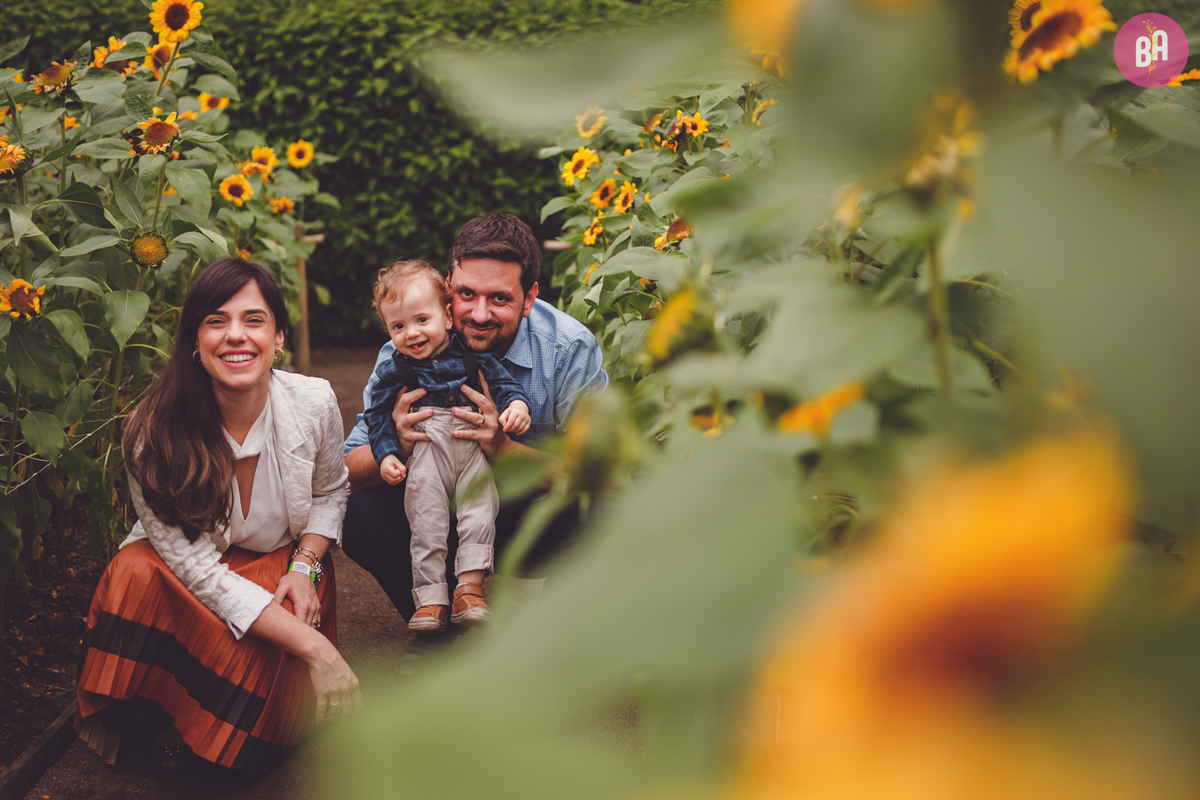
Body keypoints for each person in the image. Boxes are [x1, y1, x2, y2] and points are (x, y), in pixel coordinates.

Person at [75, 257, 362, 776]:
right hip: (191, 582)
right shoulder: (151, 433)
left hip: (282, 571)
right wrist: (317, 650)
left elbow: (330, 492)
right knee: (134, 571)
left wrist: (306, 565)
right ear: (194, 339)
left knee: (245, 755)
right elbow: (200, 573)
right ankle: (151, 713)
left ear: (277, 337)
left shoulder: (313, 402)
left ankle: (221, 723)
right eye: (216, 321)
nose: (236, 336)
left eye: (254, 320)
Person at [342, 214, 608, 620]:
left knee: (605, 514)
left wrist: (504, 447)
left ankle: (558, 631)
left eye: (499, 298)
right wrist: (395, 441)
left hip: (524, 515)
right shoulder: (407, 353)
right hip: (434, 508)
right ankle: (437, 620)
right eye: (467, 294)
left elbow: (600, 473)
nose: (479, 314)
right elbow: (346, 472)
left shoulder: (567, 349)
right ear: (448, 289)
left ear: (530, 296)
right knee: (356, 513)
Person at [363, 258, 531, 632]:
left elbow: (505, 386)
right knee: (426, 521)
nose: (412, 333)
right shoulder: (394, 368)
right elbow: (377, 416)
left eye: (422, 320)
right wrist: (388, 452)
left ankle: (469, 590)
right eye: (398, 326)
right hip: (426, 449)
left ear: (448, 316)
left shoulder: (473, 354)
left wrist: (516, 406)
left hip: (472, 447)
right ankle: (430, 599)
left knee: (479, 512)